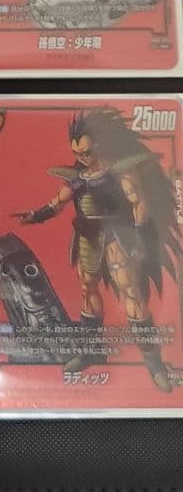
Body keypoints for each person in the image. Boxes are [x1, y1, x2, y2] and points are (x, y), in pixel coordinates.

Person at [14, 108, 181, 391]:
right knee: (87, 290)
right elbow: (57, 202)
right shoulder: (78, 178)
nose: (82, 157)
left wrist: (140, 237)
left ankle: (155, 365)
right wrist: (36, 215)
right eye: (76, 152)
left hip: (117, 237)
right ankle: (90, 351)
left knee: (131, 292)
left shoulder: (119, 173)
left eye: (87, 151)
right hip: (88, 239)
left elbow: (138, 203)